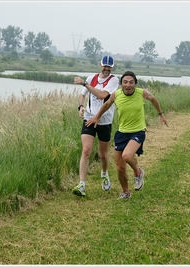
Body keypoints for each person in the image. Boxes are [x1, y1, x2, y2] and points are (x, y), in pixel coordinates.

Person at [86, 71, 169, 199]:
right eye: (125, 82)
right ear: (121, 84)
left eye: (131, 82)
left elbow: (153, 99)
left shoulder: (142, 93)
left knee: (127, 155)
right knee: (120, 168)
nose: (128, 85)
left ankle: (138, 172)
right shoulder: (116, 95)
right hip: (121, 133)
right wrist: (97, 117)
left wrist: (161, 114)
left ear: (135, 84)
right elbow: (107, 104)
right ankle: (126, 192)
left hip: (138, 131)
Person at [72, 55, 120, 197]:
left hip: (104, 120)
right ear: (100, 65)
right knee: (86, 150)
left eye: (109, 66)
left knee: (102, 154)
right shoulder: (91, 78)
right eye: (104, 66)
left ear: (112, 67)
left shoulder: (114, 80)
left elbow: (101, 95)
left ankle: (104, 174)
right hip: (89, 118)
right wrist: (80, 106)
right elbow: (82, 95)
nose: (106, 69)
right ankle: (81, 184)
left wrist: (84, 84)